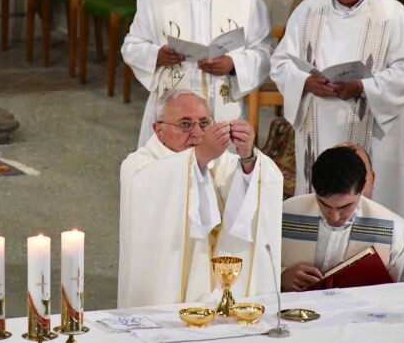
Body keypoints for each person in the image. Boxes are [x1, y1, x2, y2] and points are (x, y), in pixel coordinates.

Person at [270, 0, 404, 218]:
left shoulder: (393, 15)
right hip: (319, 124)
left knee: (370, 212)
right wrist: (305, 82)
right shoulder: (308, 10)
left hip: (372, 130)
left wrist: (363, 87)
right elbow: (280, 62)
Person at [118, 90, 283, 308]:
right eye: (185, 124)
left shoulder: (220, 161)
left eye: (204, 123)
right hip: (166, 298)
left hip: (220, 293)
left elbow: (260, 184)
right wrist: (199, 157)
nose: (197, 133)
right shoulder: (138, 165)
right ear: (158, 130)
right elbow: (150, 188)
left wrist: (248, 156)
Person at [121, 0, 272, 147]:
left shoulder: (247, 2)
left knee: (221, 169)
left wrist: (233, 65)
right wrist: (157, 55)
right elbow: (131, 47)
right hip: (172, 114)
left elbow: (264, 52)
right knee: (170, 169)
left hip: (222, 112)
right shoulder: (154, 0)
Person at [281, 146, 404, 291]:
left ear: (363, 187)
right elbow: (263, 264)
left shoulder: (393, 229)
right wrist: (281, 276)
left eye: (345, 207)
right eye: (324, 205)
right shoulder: (284, 214)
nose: (334, 217)